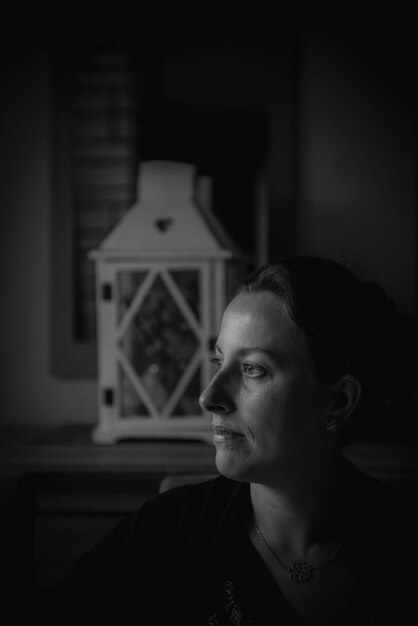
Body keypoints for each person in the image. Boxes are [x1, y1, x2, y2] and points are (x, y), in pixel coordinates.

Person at [38, 257, 418, 624]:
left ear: (338, 401)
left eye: (252, 369)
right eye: (219, 363)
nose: (208, 398)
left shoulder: (403, 542)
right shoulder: (164, 535)